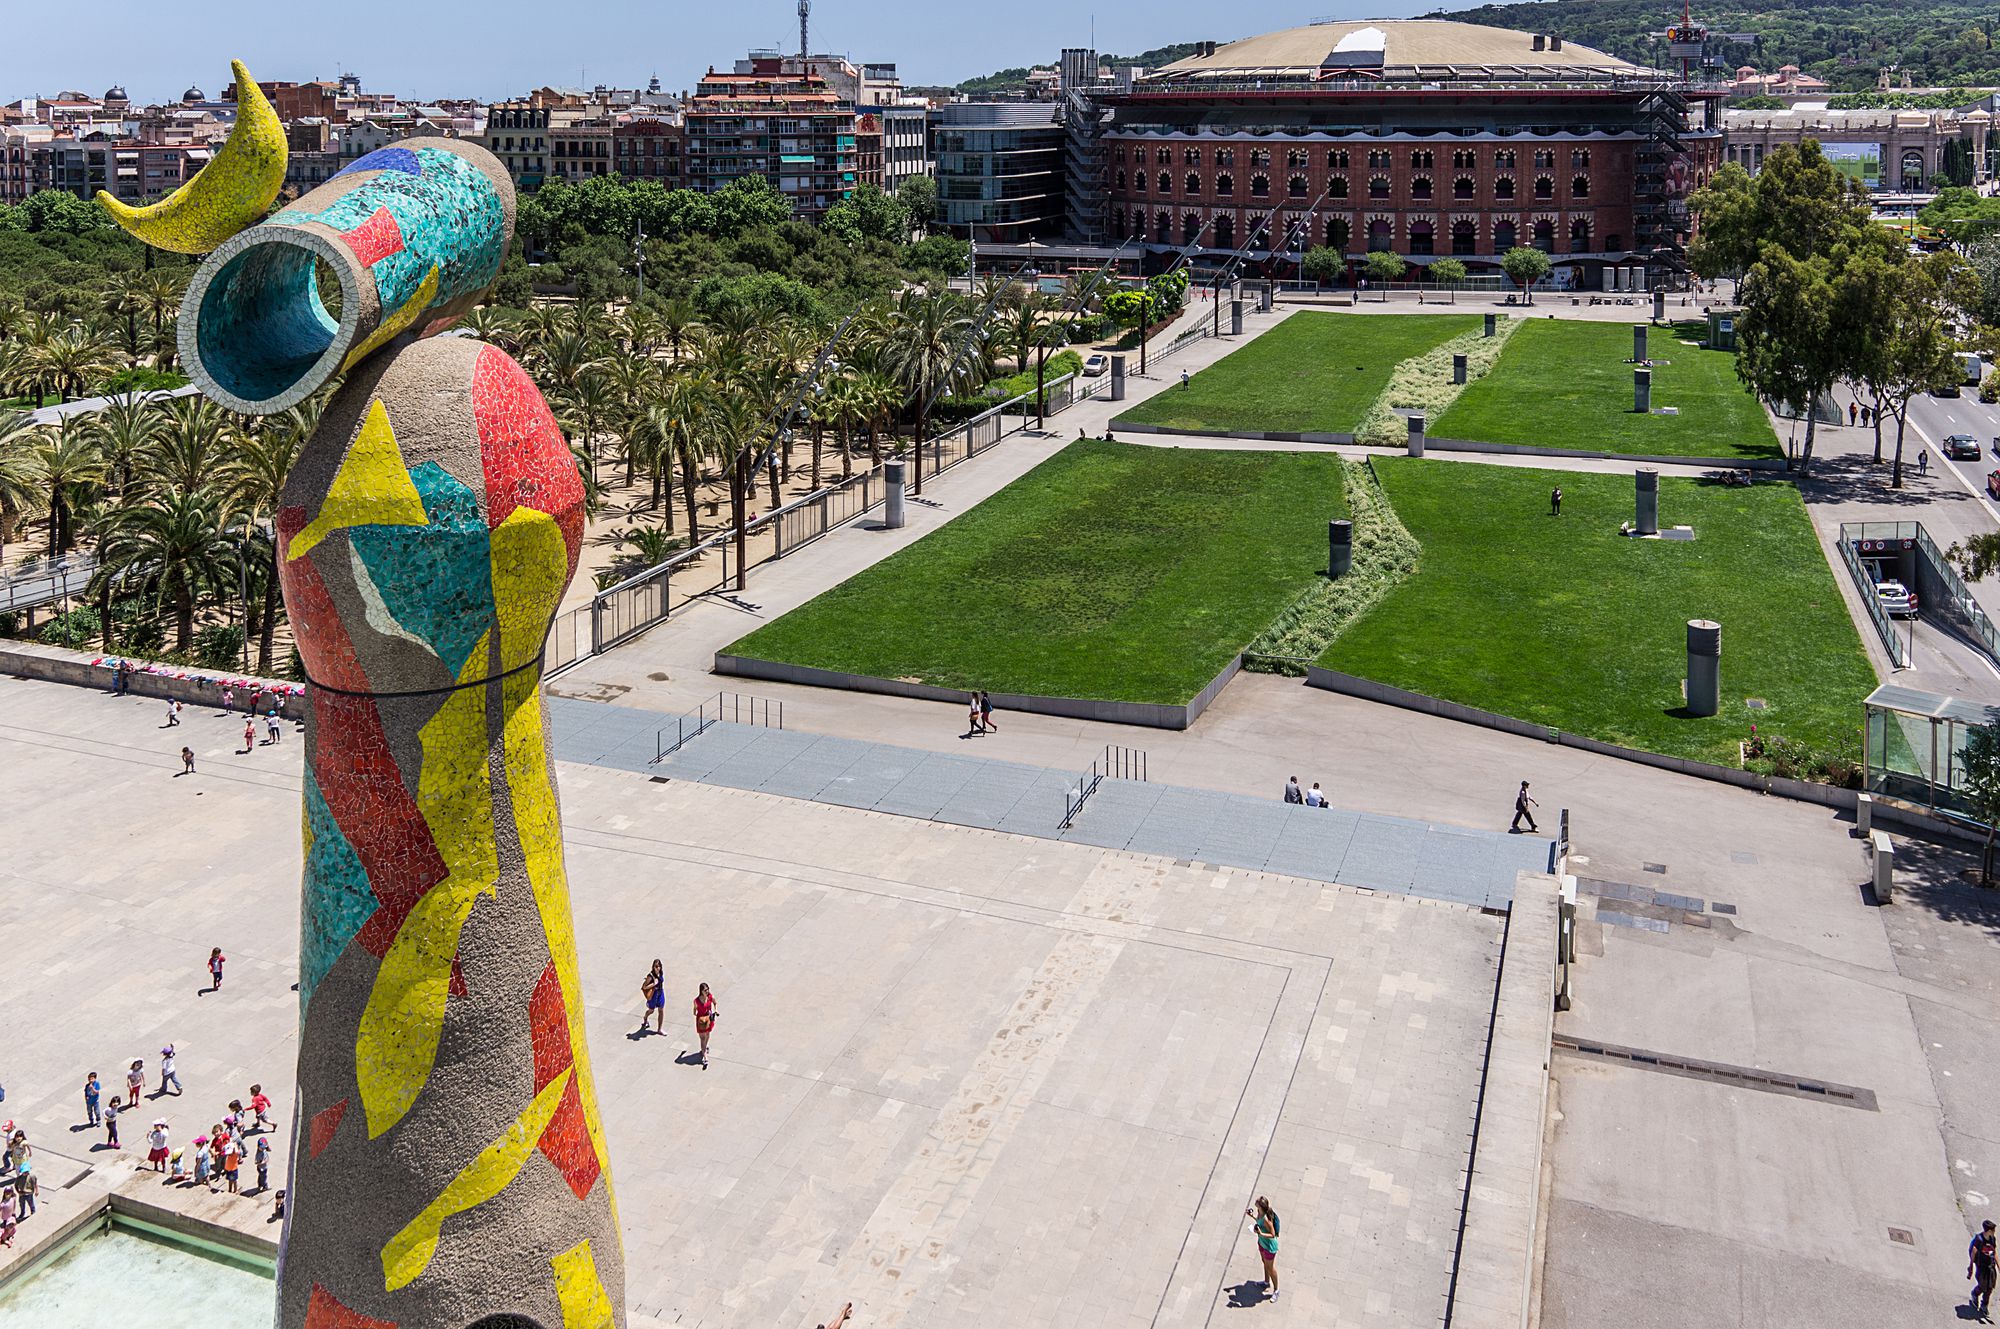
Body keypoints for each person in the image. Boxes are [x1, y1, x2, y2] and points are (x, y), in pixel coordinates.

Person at [1248, 1196, 1281, 1302]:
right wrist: (1252, 1216)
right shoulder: (1259, 1212)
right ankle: (1266, 1282)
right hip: (1262, 1243)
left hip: (1269, 1246)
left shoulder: (1267, 1219)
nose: (1255, 1201)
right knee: (1264, 1262)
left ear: (1261, 1206)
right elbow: (1259, 1220)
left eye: (1257, 1201)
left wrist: (1261, 1233)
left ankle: (1276, 1290)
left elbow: (1273, 1234)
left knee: (1270, 1268)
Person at [1972, 1219, 1997, 1321]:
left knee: (1990, 1287)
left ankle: (1984, 1305)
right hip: (1982, 1267)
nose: (1994, 1232)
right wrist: (1970, 1267)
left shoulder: (1992, 1239)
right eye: (1993, 1230)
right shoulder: (1979, 1240)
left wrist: (1998, 1266)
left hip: (1990, 1267)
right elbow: (1973, 1253)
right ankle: (1975, 1293)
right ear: (1988, 1230)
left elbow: (1994, 1252)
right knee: (1983, 1286)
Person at [693, 982, 719, 1070]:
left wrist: (716, 1010)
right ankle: (705, 1057)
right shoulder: (697, 1000)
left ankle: (704, 1048)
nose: (707, 991)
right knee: (702, 1038)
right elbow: (695, 1009)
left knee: (707, 1035)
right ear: (701, 991)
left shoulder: (710, 997)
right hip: (701, 1020)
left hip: (709, 1019)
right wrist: (695, 1013)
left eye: (708, 990)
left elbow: (715, 1003)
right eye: (705, 990)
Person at [640, 960, 666, 1035]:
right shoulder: (650, 976)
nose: (657, 968)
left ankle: (659, 1029)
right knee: (651, 1011)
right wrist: (654, 984)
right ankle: (645, 1017)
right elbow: (644, 987)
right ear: (653, 967)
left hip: (660, 993)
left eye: (658, 966)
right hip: (653, 995)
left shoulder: (661, 973)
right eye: (656, 966)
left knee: (661, 1010)